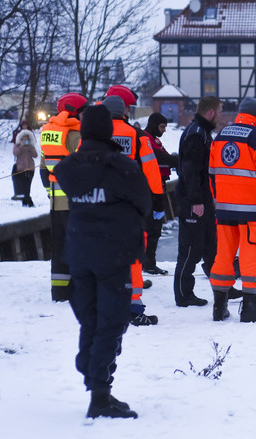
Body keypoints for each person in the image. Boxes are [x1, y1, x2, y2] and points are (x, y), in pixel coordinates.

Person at [55, 104, 151, 419]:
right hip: (113, 254)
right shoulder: (121, 167)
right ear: (108, 131)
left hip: (79, 253)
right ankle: (99, 394)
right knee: (111, 321)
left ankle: (92, 371)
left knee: (91, 318)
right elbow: (143, 203)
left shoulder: (68, 167)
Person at [208, 97, 256, 322]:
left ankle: (219, 306)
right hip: (253, 212)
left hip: (224, 210)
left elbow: (212, 174)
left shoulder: (221, 137)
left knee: (223, 255)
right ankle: (251, 306)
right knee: (253, 255)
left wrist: (218, 200)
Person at [102, 92, 162, 326]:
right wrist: (157, 201)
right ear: (124, 112)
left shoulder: (94, 136)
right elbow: (151, 170)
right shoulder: (136, 135)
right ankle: (133, 307)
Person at [174, 95, 224, 308]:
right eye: (220, 111)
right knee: (190, 250)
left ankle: (222, 289)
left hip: (203, 199)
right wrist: (196, 201)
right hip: (193, 201)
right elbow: (190, 171)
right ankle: (184, 294)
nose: (220, 117)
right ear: (211, 111)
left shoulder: (202, 133)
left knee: (211, 248)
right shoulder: (196, 135)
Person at [40, 93, 88, 301]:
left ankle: (59, 291)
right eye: (83, 111)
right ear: (75, 111)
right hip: (75, 200)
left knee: (58, 245)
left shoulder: (47, 132)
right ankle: (79, 289)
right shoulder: (76, 134)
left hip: (55, 200)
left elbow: (44, 169)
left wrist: (51, 191)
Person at [142, 112, 179, 275]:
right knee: (152, 227)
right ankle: (148, 263)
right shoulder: (147, 141)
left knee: (155, 227)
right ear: (153, 124)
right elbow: (161, 158)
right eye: (162, 126)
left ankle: (149, 262)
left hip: (157, 189)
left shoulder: (154, 141)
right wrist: (179, 161)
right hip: (151, 191)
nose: (164, 130)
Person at [12, 126, 37, 207]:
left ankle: (27, 201)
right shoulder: (17, 145)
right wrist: (21, 146)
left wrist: (30, 147)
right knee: (23, 186)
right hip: (21, 169)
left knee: (28, 186)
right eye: (24, 138)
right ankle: (27, 202)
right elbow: (15, 153)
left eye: (27, 138)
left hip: (30, 169)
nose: (26, 140)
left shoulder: (30, 146)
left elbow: (35, 155)